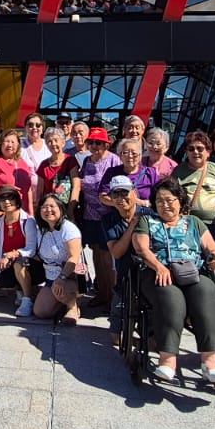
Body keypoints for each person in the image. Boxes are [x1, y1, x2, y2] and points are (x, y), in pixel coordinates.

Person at [132, 180, 215, 384]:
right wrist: (159, 266)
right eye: (159, 201)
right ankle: (168, 361)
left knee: (206, 292)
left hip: (192, 271)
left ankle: (211, 363)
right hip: (158, 272)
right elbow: (141, 249)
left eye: (169, 200)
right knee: (171, 298)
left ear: (180, 201)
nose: (164, 204)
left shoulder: (194, 222)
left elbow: (213, 248)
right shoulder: (148, 221)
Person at [6, 192, 84, 323]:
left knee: (61, 289)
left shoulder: (68, 229)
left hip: (69, 276)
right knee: (40, 312)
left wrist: (62, 278)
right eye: (44, 207)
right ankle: (61, 301)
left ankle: (73, 306)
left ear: (60, 208)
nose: (48, 210)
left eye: (52, 206)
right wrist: (16, 254)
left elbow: (74, 257)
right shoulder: (41, 229)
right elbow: (33, 251)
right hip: (50, 278)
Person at [75, 128, 120, 308]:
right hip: (90, 215)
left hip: (108, 215)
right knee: (95, 254)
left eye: (99, 143)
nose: (94, 146)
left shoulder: (113, 160)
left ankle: (111, 296)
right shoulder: (86, 160)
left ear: (106, 144)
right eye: (91, 142)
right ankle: (101, 292)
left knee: (108, 256)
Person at [100, 175, 143, 345]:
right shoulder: (108, 220)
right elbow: (116, 253)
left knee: (155, 343)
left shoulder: (150, 214)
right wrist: (132, 227)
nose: (120, 198)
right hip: (125, 277)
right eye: (115, 194)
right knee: (116, 339)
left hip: (148, 275)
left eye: (124, 193)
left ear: (134, 192)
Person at [173, 131, 215, 228]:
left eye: (200, 149)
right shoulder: (178, 171)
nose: (195, 152)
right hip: (187, 223)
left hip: (214, 226)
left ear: (208, 152)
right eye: (191, 149)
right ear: (186, 152)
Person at [0, 128, 35, 213]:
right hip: (3, 210)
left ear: (18, 145)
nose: (9, 145)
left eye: (13, 142)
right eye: (6, 141)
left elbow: (29, 191)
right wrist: (4, 197)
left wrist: (31, 213)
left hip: (22, 211)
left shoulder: (23, 164)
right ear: (0, 144)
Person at [105, 138, 156, 203]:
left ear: (140, 156)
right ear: (119, 156)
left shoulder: (151, 173)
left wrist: (144, 203)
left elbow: (159, 196)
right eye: (125, 153)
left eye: (134, 153)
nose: (130, 156)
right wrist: (120, 204)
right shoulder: (111, 172)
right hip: (118, 212)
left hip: (144, 211)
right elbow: (103, 195)